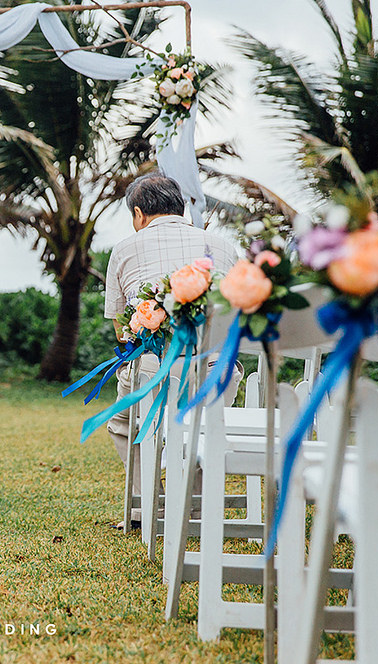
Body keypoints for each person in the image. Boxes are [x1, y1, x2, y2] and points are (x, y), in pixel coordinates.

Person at [103, 173, 239, 529]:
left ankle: (147, 506)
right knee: (203, 428)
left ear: (138, 213)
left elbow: (121, 329)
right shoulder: (222, 245)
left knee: (122, 424)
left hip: (154, 370)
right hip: (217, 372)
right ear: (181, 208)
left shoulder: (124, 248)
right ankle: (193, 508)